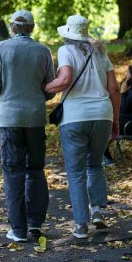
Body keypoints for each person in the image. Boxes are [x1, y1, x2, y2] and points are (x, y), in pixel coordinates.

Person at [44, 14, 120, 239]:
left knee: (76, 172)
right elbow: (114, 89)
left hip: (75, 118)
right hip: (102, 115)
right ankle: (97, 212)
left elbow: (65, 80)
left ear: (68, 34)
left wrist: (44, 87)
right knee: (95, 165)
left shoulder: (65, 51)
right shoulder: (102, 53)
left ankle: (81, 225)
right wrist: (115, 120)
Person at [0, 10, 56, 242]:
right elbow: (50, 87)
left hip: (10, 118)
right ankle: (35, 224)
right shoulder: (43, 51)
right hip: (35, 118)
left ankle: (18, 230)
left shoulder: (2, 48)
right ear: (32, 28)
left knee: (13, 172)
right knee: (36, 170)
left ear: (12, 27)